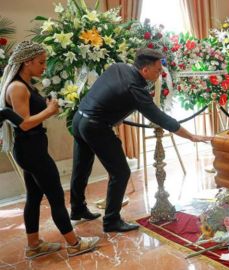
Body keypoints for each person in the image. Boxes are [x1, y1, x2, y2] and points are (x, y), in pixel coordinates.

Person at [70, 48, 213, 233]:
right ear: (145, 70)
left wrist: (115, 113)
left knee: (81, 167)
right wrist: (191, 136)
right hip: (95, 126)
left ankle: (77, 208)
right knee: (120, 172)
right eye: (157, 70)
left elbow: (107, 93)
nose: (160, 74)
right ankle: (111, 220)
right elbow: (160, 117)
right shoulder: (135, 88)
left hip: (79, 118)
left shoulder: (119, 67)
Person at [0, 41, 99, 259]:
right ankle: (74, 244)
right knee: (55, 196)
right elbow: (24, 123)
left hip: (31, 149)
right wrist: (50, 110)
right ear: (27, 62)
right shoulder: (17, 87)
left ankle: (34, 245)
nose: (44, 67)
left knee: (34, 197)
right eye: (41, 62)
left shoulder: (26, 84)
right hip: (31, 150)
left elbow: (28, 118)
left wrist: (46, 108)